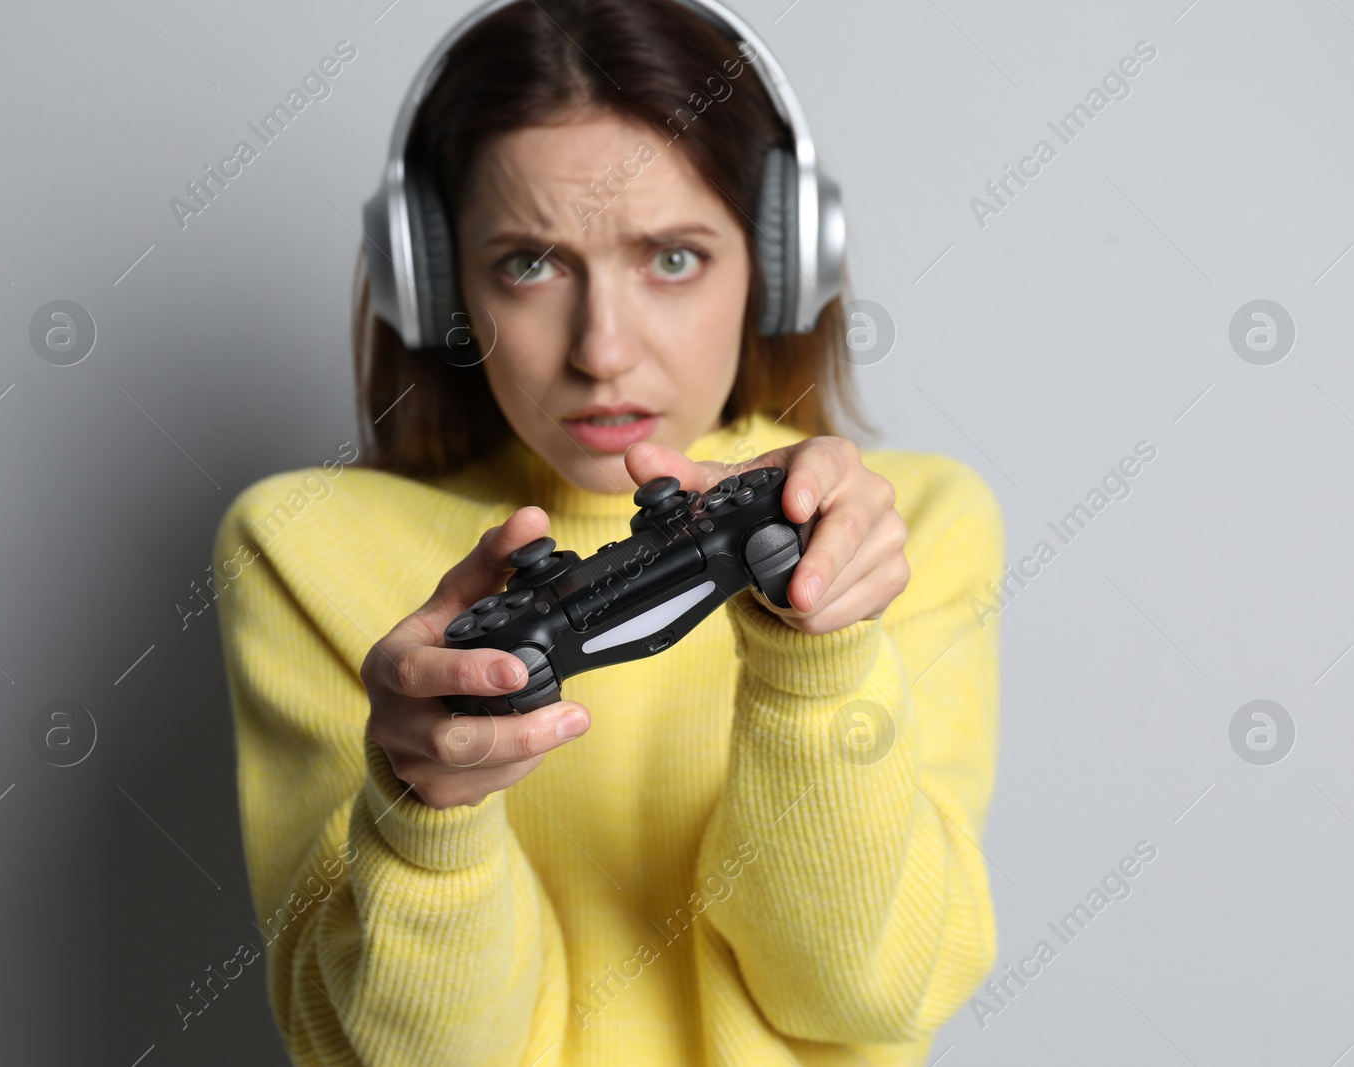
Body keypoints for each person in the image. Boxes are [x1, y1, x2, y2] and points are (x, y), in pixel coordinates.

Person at [212, 0, 1003, 1062]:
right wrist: (424, 817)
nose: (602, 350)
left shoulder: (905, 524)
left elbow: (863, 997)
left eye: (671, 258)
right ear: (434, 281)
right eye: (529, 264)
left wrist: (817, 658)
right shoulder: (302, 547)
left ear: (780, 259)